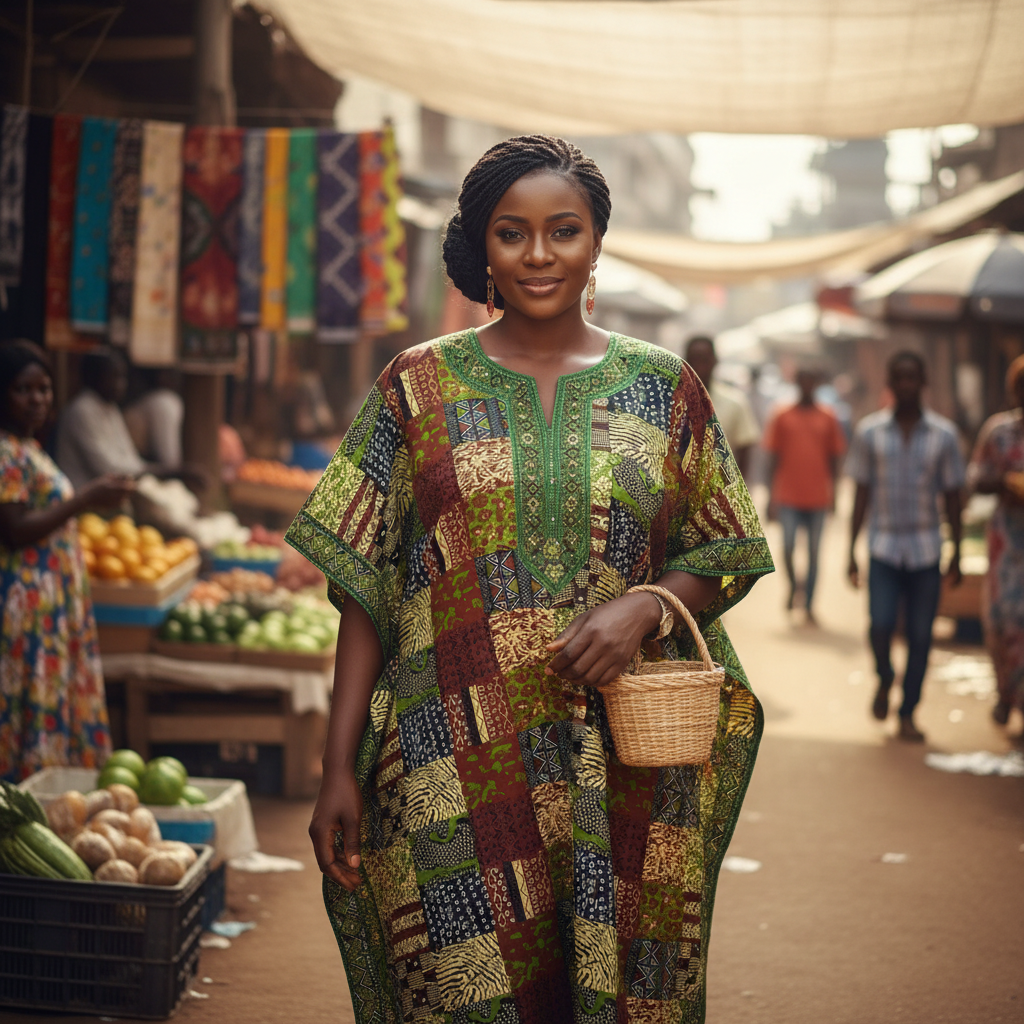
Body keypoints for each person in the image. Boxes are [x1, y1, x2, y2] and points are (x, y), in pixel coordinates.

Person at [286, 136, 773, 1023]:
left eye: (563, 231)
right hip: (448, 765)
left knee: (616, 994)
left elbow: (721, 544)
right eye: (513, 233)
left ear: (596, 243)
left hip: (620, 764)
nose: (539, 254)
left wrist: (648, 605)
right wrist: (336, 766)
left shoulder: (665, 388)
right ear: (484, 246)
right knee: (468, 996)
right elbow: (364, 588)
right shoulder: (415, 386)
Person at [0, 341, 134, 781]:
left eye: (44, 388)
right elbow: (15, 529)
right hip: (27, 602)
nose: (37, 399)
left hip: (50, 600)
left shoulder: (27, 448)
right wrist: (86, 498)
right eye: (23, 389)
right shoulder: (6, 453)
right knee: (32, 694)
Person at [847, 351, 965, 742]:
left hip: (926, 549)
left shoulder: (944, 436)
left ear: (923, 382)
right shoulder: (870, 433)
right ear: (891, 384)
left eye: (913, 377)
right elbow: (861, 493)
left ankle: (908, 711)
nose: (907, 384)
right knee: (880, 626)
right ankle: (885, 677)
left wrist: (957, 551)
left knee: (920, 636)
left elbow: (953, 496)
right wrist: (850, 551)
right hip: (883, 547)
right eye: (900, 377)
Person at [968, 354, 1024, 733]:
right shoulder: (999, 432)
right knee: (1002, 619)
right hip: (1007, 540)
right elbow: (976, 478)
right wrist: (1005, 482)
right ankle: (1006, 693)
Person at [56, 349, 204, 493]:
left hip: (109, 496)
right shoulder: (82, 410)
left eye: (122, 377)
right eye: (113, 377)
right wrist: (170, 472)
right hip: (83, 497)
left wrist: (165, 472)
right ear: (93, 377)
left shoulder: (110, 408)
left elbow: (130, 459)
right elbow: (109, 469)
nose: (120, 384)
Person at [764, 367, 846, 624]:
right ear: (797, 383)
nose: (808, 386)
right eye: (804, 381)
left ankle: (809, 604)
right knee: (788, 547)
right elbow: (772, 457)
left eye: (812, 382)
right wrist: (770, 496)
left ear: (817, 384)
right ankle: (793, 587)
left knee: (813, 554)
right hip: (788, 496)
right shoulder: (782, 415)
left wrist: (835, 494)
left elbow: (835, 458)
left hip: (818, 497)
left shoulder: (828, 417)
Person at [684, 335, 760, 478]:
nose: (699, 366)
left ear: (715, 361)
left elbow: (744, 450)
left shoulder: (735, 403)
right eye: (694, 360)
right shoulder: (669, 402)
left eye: (704, 360)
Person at [124, 367, 184, 467]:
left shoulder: (151, 400)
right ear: (161, 375)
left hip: (138, 463)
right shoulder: (163, 401)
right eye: (170, 372)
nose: (177, 377)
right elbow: (168, 457)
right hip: (133, 465)